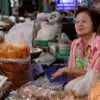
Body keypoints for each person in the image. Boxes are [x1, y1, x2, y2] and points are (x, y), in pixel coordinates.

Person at [51, 7, 100, 80]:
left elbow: (93, 73)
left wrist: (66, 70)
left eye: (84, 21)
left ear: (94, 24)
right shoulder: (75, 44)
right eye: (77, 22)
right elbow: (71, 72)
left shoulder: (98, 44)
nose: (79, 24)